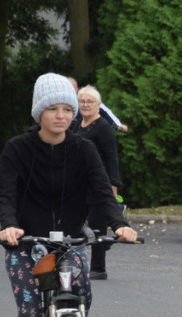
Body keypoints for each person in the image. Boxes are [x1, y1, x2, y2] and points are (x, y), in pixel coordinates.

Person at [0, 73, 137, 317]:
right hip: (27, 245)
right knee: (29, 315)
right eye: (52, 109)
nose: (61, 116)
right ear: (39, 113)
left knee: (81, 295)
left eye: (67, 110)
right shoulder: (18, 148)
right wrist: (9, 225)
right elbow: (5, 194)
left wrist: (118, 223)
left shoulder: (83, 149)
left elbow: (102, 192)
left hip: (68, 243)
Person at [71, 85, 122, 280]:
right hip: (78, 184)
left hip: (99, 183)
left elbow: (112, 157)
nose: (85, 105)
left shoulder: (103, 127)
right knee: (74, 223)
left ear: (98, 105)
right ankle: (73, 263)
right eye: (82, 101)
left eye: (89, 102)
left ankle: (98, 268)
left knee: (98, 225)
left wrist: (113, 185)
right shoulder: (76, 126)